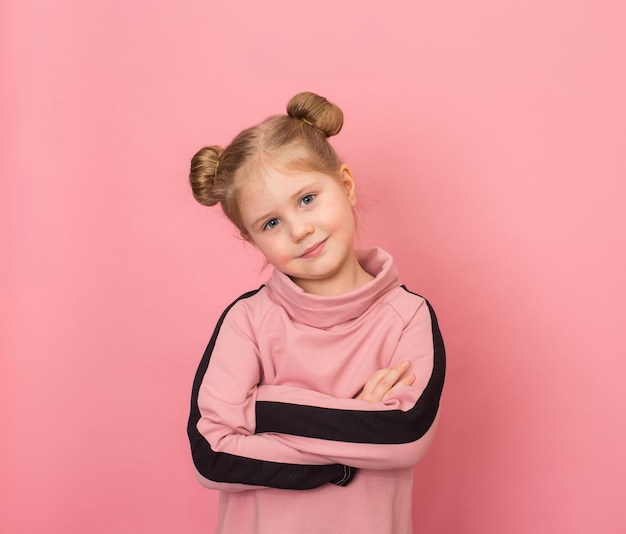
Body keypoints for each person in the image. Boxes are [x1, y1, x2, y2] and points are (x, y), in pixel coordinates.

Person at [187, 91, 446, 534]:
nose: (299, 229)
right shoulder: (248, 321)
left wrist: (259, 410)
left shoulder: (407, 317)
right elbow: (212, 456)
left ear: (345, 185)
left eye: (307, 198)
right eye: (271, 223)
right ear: (253, 241)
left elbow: (404, 435)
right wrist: (350, 436)